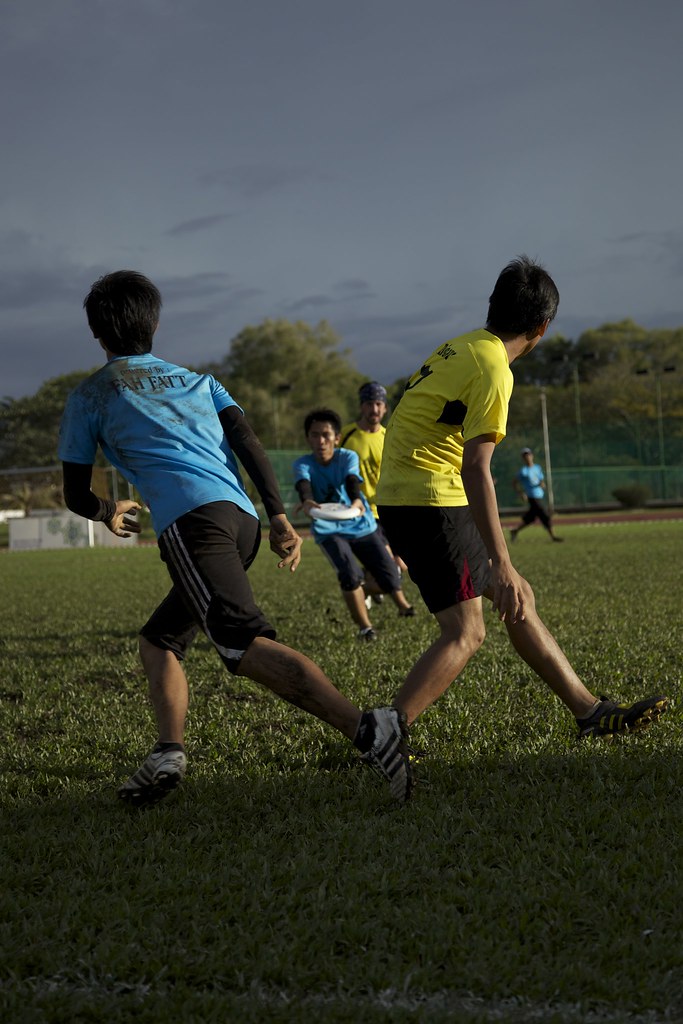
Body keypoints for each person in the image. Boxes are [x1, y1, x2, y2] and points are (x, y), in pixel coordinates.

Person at [58, 271, 412, 806]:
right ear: (155, 324)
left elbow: (74, 494)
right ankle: (168, 751)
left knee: (242, 644)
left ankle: (369, 730)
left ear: (96, 333)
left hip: (194, 526)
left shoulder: (91, 395)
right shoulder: (201, 381)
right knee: (160, 640)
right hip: (242, 520)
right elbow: (248, 442)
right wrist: (278, 516)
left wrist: (108, 510)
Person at [376, 255, 668, 745]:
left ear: (493, 306)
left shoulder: (462, 345)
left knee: (519, 599)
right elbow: (476, 467)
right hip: (428, 499)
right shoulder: (495, 367)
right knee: (466, 633)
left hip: (412, 495)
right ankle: (383, 735)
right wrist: (501, 560)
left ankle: (589, 711)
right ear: (542, 327)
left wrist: (504, 569)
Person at [293, 408, 414, 641]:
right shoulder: (303, 464)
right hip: (328, 530)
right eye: (315, 435)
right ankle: (366, 628)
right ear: (308, 438)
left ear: (336, 438)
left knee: (392, 578)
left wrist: (357, 500)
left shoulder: (347, 456)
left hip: (361, 525)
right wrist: (306, 501)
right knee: (350, 575)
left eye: (326, 435)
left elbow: (351, 482)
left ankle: (365, 590)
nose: (321, 441)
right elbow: (303, 487)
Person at [340, 381, 413, 611]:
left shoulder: (390, 436)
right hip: (361, 512)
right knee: (390, 564)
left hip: (390, 508)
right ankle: (395, 601)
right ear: (362, 406)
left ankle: (366, 586)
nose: (374, 409)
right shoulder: (347, 435)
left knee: (402, 565)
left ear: (385, 408)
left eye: (379, 404)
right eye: (369, 403)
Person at [510, 447, 562, 542]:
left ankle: (515, 531)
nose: (527, 457)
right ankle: (553, 536)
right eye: (525, 456)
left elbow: (541, 480)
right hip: (532, 496)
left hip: (539, 495)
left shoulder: (537, 468)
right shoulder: (523, 471)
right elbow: (514, 483)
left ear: (532, 456)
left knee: (531, 518)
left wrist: (542, 484)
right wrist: (521, 493)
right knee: (544, 515)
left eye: (528, 455)